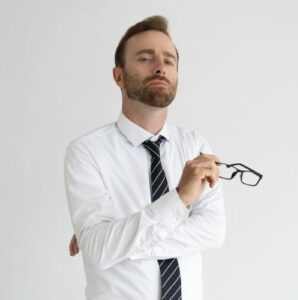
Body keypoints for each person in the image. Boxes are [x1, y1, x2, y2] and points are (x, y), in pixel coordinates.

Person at [65, 15, 225, 300]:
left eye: (169, 60)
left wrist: (120, 241)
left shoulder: (195, 146)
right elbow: (99, 249)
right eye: (145, 58)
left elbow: (213, 232)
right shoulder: (87, 152)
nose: (160, 67)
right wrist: (180, 199)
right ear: (118, 76)